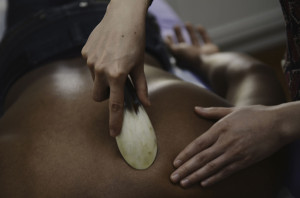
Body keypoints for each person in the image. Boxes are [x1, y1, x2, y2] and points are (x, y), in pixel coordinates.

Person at [0, 0, 287, 197]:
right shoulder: (237, 171)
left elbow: (253, 73)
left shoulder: (241, 174)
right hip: (37, 50)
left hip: (35, 48)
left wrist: (206, 61)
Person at [81, 0, 300, 192]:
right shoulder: (250, 169)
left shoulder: (254, 175)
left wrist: (205, 61)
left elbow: (253, 73)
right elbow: (253, 74)